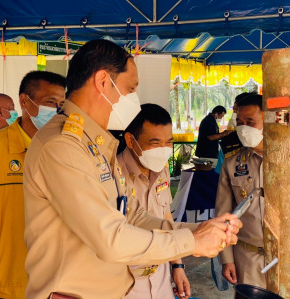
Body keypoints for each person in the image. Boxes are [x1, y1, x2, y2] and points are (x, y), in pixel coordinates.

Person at [23, 40, 241, 299]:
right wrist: (192, 243)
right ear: (103, 81)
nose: (134, 99)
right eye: (130, 88)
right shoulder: (63, 147)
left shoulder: (96, 143)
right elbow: (110, 238)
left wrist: (199, 230)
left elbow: (133, 216)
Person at [0, 70, 66, 299]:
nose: (56, 111)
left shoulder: (65, 149)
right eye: (50, 102)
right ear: (24, 101)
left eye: (61, 104)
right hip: (8, 280)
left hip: (57, 282)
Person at [119, 103, 191, 299]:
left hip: (161, 279)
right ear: (130, 140)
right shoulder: (113, 174)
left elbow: (166, 216)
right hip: (126, 284)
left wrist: (178, 265)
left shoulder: (162, 170)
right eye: (155, 142)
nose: (164, 150)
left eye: (169, 142)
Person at [215, 94, 266, 288]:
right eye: (240, 122)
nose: (243, 128)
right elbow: (223, 214)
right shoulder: (232, 163)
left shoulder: (288, 158)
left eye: (250, 122)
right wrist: (226, 258)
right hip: (247, 257)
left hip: (288, 258)